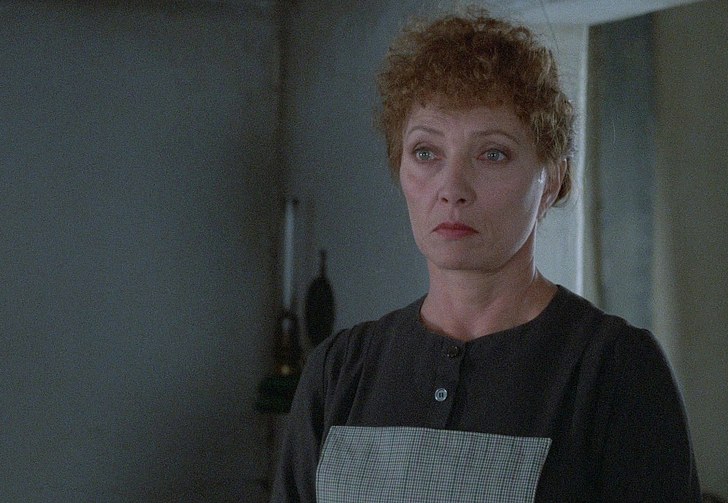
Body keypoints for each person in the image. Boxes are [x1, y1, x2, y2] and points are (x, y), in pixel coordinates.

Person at [272, 9, 700, 502]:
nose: (452, 188)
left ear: (552, 179)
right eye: (426, 152)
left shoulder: (613, 370)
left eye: (492, 153)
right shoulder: (339, 372)